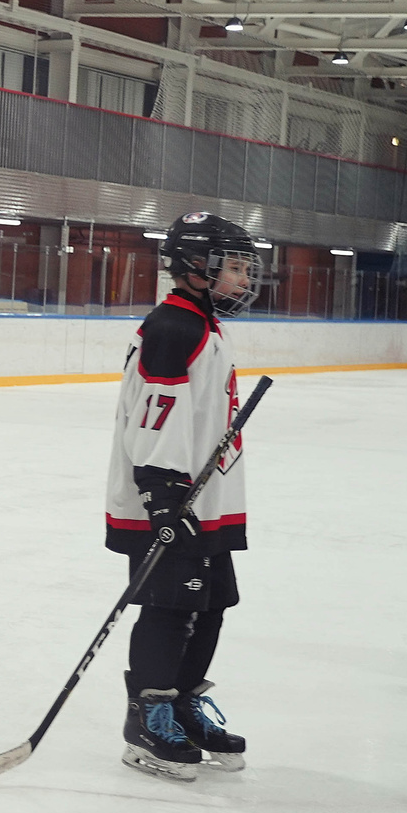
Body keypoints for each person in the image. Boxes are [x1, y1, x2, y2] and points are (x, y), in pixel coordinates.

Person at [107, 211, 256, 780]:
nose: (244, 280)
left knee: (212, 604)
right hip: (167, 501)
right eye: (236, 267)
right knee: (169, 609)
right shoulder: (174, 328)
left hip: (207, 499)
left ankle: (185, 705)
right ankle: (148, 718)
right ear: (199, 266)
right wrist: (164, 499)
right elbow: (153, 420)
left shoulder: (204, 322)